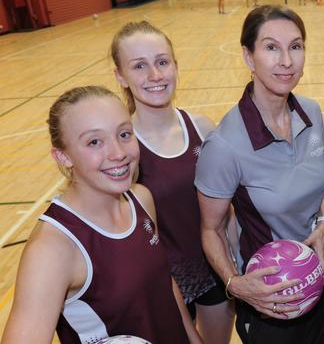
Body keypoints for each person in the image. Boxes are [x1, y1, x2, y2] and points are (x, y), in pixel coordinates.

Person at [1, 86, 201, 344]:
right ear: (63, 156)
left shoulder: (140, 199)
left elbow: (164, 285)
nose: (118, 153)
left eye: (124, 134)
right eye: (94, 142)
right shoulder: (53, 249)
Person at [195, 5, 324, 344]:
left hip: (318, 279)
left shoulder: (311, 112)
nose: (286, 60)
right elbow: (211, 229)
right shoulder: (225, 145)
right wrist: (235, 284)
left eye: (296, 46)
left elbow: (322, 187)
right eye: (271, 47)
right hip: (268, 300)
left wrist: (323, 223)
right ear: (248, 56)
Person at [110, 21, 235, 344]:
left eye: (162, 62)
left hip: (213, 271)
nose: (155, 75)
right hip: (162, 284)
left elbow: (228, 208)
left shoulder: (203, 128)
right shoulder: (122, 150)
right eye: (139, 66)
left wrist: (238, 265)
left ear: (175, 66)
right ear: (120, 76)